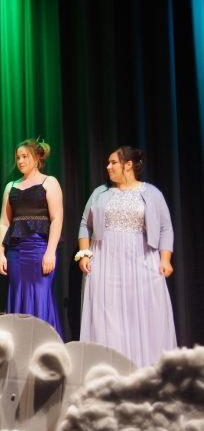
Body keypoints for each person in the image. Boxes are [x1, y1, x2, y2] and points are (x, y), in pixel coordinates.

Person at [78, 146, 176, 367]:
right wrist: (84, 254)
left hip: (141, 259)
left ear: (128, 165)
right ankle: (112, 370)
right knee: (108, 317)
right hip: (106, 261)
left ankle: (145, 369)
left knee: (142, 315)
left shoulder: (152, 193)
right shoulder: (100, 193)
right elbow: (85, 224)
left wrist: (165, 259)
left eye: (113, 162)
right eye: (108, 163)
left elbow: (165, 228)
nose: (108, 167)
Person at [0, 139, 64, 336]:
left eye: (25, 156)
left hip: (40, 248)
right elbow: (4, 222)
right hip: (16, 252)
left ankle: (44, 344)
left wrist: (50, 252)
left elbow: (57, 219)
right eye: (18, 157)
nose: (20, 161)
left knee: (40, 295)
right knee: (18, 294)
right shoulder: (11, 186)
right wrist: (0, 253)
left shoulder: (49, 182)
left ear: (37, 158)